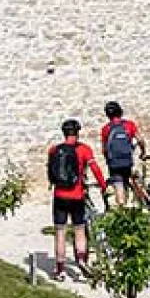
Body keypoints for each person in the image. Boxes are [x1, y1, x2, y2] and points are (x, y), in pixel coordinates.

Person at [46, 118, 105, 279]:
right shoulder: (84, 150)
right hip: (77, 195)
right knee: (79, 230)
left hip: (59, 196)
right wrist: (103, 185)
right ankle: (81, 261)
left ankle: (60, 270)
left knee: (60, 232)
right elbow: (95, 168)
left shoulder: (53, 150)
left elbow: (50, 174)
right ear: (77, 133)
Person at [99, 101, 145, 206]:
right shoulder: (129, 125)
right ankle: (144, 204)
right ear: (120, 111)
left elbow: (104, 150)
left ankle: (123, 210)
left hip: (114, 163)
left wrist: (108, 160)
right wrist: (143, 152)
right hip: (127, 160)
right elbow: (140, 140)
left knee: (118, 184)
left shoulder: (106, 129)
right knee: (134, 179)